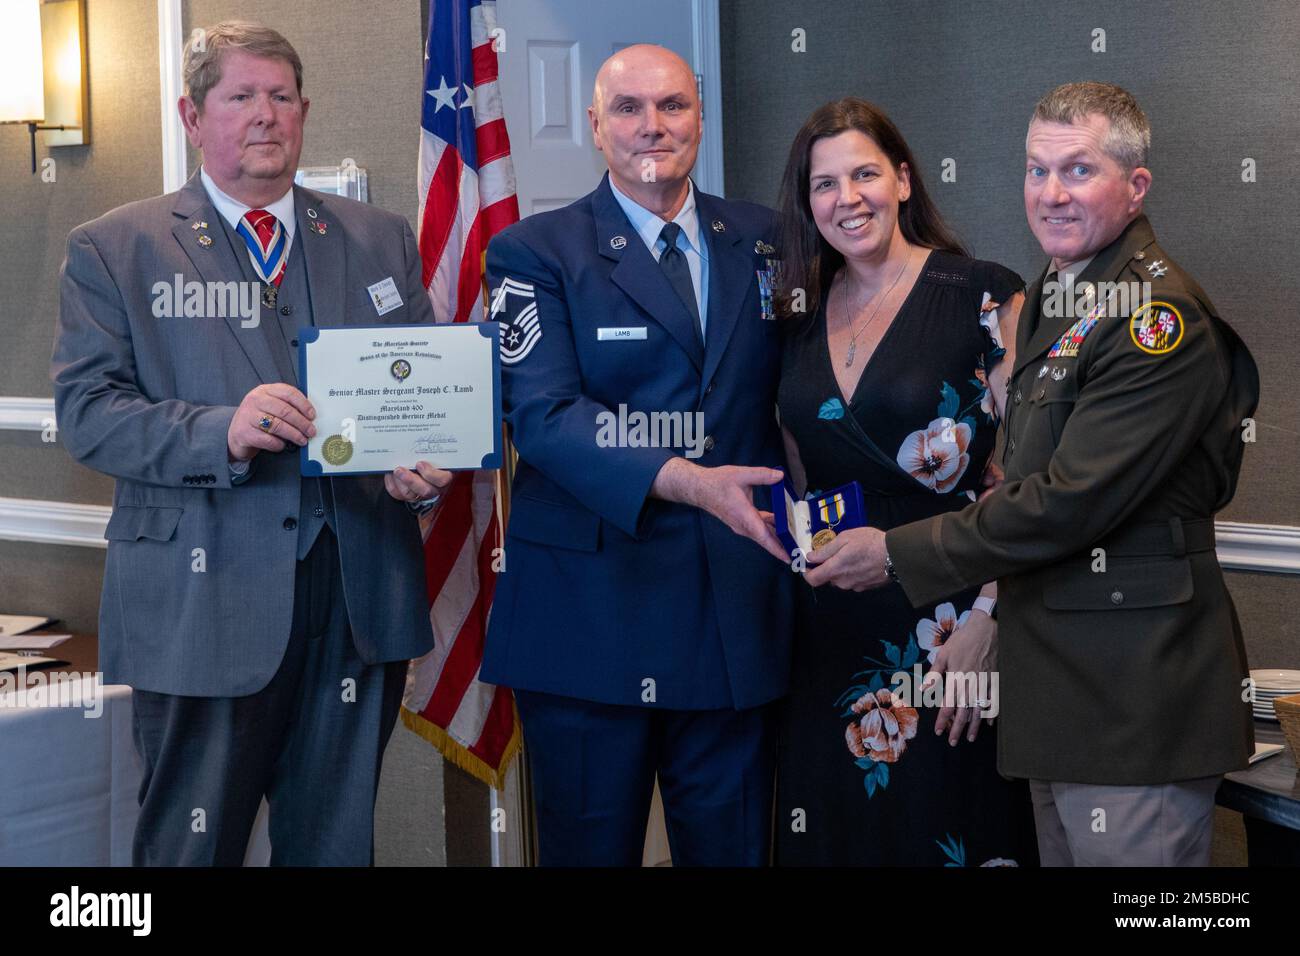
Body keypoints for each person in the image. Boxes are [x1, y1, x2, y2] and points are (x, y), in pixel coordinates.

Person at [809, 82, 1259, 867]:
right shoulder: (1061, 287)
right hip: (1059, 698)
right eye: (1035, 171)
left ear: (1136, 185)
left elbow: (1066, 502)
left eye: (1078, 171)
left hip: (1133, 701)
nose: (1050, 194)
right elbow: (1022, 469)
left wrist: (893, 551)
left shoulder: (1159, 318)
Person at [51, 21, 451, 865]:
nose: (267, 115)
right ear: (195, 118)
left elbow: (421, 397)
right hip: (202, 603)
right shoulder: (116, 249)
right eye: (242, 97)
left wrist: (429, 470)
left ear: (304, 110)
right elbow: (87, 412)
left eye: (282, 96)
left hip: (357, 604)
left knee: (335, 848)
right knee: (192, 851)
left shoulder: (378, 237)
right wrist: (217, 432)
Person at [482, 44, 793, 866]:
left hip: (733, 614)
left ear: (700, 116)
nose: (652, 127)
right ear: (593, 125)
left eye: (673, 106)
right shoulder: (534, 250)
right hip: (591, 616)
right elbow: (544, 417)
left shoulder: (768, 239)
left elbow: (822, 379)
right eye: (628, 109)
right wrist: (688, 481)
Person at [772, 98, 1039, 866]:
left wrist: (994, 615)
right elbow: (797, 473)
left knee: (947, 830)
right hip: (828, 634)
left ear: (904, 179)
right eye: (825, 184)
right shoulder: (795, 312)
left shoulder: (983, 294)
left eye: (864, 174)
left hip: (950, 627)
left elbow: (1032, 474)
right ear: (807, 202)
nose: (846, 198)